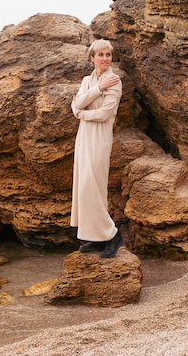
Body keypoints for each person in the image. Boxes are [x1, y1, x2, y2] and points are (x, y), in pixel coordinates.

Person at [70, 39, 123, 258]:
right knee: (84, 186)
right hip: (84, 137)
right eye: (100, 55)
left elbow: (103, 114)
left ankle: (112, 236)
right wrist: (98, 88)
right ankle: (95, 236)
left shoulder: (115, 81)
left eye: (107, 55)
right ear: (92, 58)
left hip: (100, 138)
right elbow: (77, 102)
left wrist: (81, 113)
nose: (104, 58)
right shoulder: (87, 80)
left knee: (95, 186)